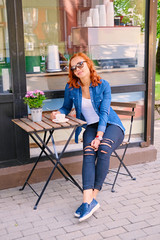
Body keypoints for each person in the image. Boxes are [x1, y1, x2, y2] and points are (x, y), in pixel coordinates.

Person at [51, 52, 125, 222]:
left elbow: (105, 113)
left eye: (80, 64)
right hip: (90, 127)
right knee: (89, 153)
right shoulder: (71, 88)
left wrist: (99, 136)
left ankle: (90, 198)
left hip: (111, 125)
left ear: (88, 64)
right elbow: (65, 107)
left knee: (104, 149)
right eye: (73, 67)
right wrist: (57, 113)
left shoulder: (103, 85)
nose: (77, 69)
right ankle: (88, 202)